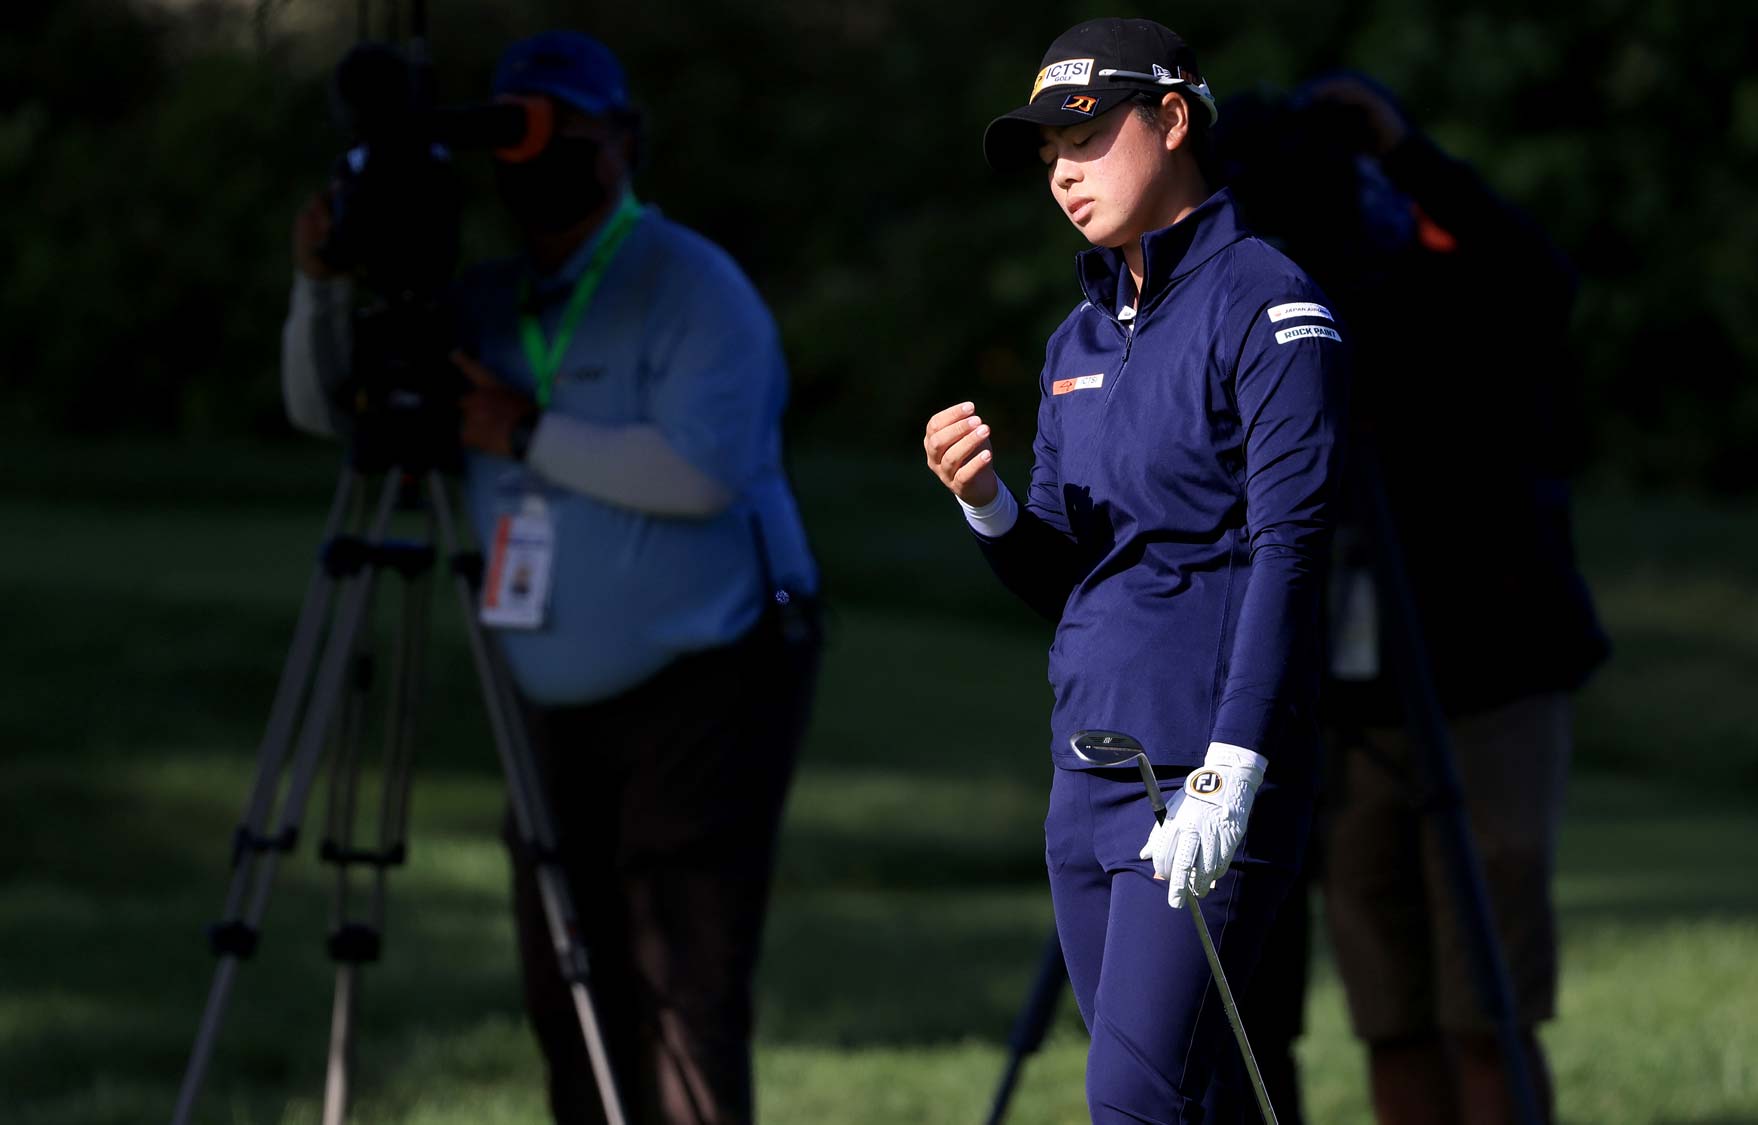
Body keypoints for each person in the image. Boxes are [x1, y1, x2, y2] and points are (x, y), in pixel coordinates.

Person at [281, 30, 821, 1125]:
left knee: (680, 982)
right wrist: (318, 289)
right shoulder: (486, 299)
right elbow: (319, 406)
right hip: (551, 705)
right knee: (566, 978)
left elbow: (702, 473)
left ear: (620, 143)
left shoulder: (690, 285)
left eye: (563, 133)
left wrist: (520, 429)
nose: (539, 157)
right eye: (515, 135)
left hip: (709, 674)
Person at [923, 18, 1349, 1122]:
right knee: (1180, 1099)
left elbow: (1291, 549)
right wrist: (986, 505)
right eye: (1047, 151)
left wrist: (1233, 765)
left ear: (1170, 119)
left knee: (1133, 1100)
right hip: (1088, 771)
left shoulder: (1267, 301)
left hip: (1199, 772)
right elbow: (1067, 572)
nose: (1062, 169)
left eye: (1087, 133)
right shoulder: (1077, 341)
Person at [1218, 72, 1611, 1125]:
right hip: (1351, 709)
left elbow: (1538, 281)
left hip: (1484, 678)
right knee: (1388, 1011)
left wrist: (1402, 152)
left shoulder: (1448, 292)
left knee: (1482, 1006)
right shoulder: (1277, 326)